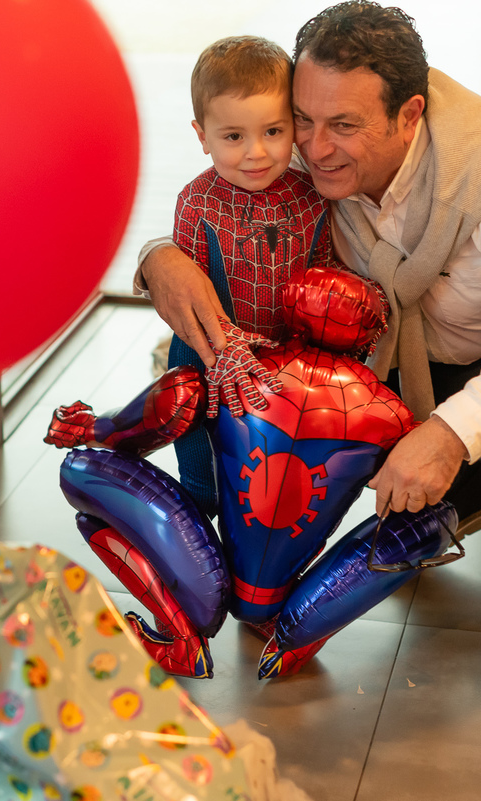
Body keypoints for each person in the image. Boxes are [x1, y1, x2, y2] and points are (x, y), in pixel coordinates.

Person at [135, 2, 481, 706]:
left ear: (410, 115)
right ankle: (473, 486)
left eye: (343, 126)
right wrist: (158, 257)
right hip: (426, 351)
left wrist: (449, 432)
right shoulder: (307, 162)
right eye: (303, 121)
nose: (313, 148)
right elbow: (230, 200)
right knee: (325, 403)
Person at [157, 35, 343, 518]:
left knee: (275, 481)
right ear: (203, 136)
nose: (256, 153)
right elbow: (184, 294)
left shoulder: (312, 194)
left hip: (288, 357)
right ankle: (197, 552)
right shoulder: (196, 201)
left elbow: (325, 270)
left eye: (274, 132)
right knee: (201, 459)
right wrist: (219, 351)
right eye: (233, 136)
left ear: (294, 127)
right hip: (206, 350)